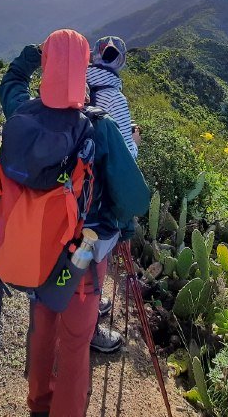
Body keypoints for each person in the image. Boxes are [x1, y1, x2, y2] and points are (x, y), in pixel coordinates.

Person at [0, 30, 150, 417]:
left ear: (48, 65)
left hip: (40, 248)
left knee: (44, 325)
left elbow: (10, 84)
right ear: (84, 67)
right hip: (81, 256)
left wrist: (29, 57)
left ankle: (38, 405)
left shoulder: (24, 112)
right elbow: (135, 199)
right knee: (76, 339)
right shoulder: (100, 127)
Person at [86, 35, 138, 353]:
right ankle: (91, 325)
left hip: (75, 186)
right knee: (100, 254)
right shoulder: (115, 99)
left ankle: (87, 302)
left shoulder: (77, 83)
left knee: (83, 251)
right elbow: (126, 157)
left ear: (94, 55)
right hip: (102, 192)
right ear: (120, 62)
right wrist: (135, 141)